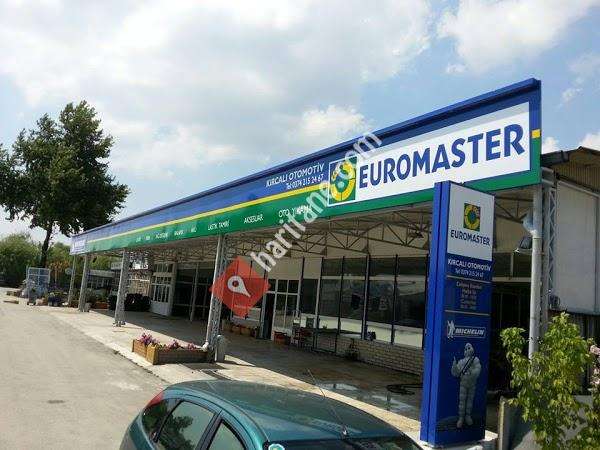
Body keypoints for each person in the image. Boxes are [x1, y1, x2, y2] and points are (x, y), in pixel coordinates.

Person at [451, 342, 481, 428]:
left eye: (469, 348)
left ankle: (468, 416)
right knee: (462, 402)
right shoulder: (461, 361)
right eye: (466, 348)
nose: (467, 350)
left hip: (472, 384)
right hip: (463, 384)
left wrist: (472, 372)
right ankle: (461, 418)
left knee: (470, 401)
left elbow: (478, 369)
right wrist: (454, 365)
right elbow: (456, 373)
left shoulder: (475, 360)